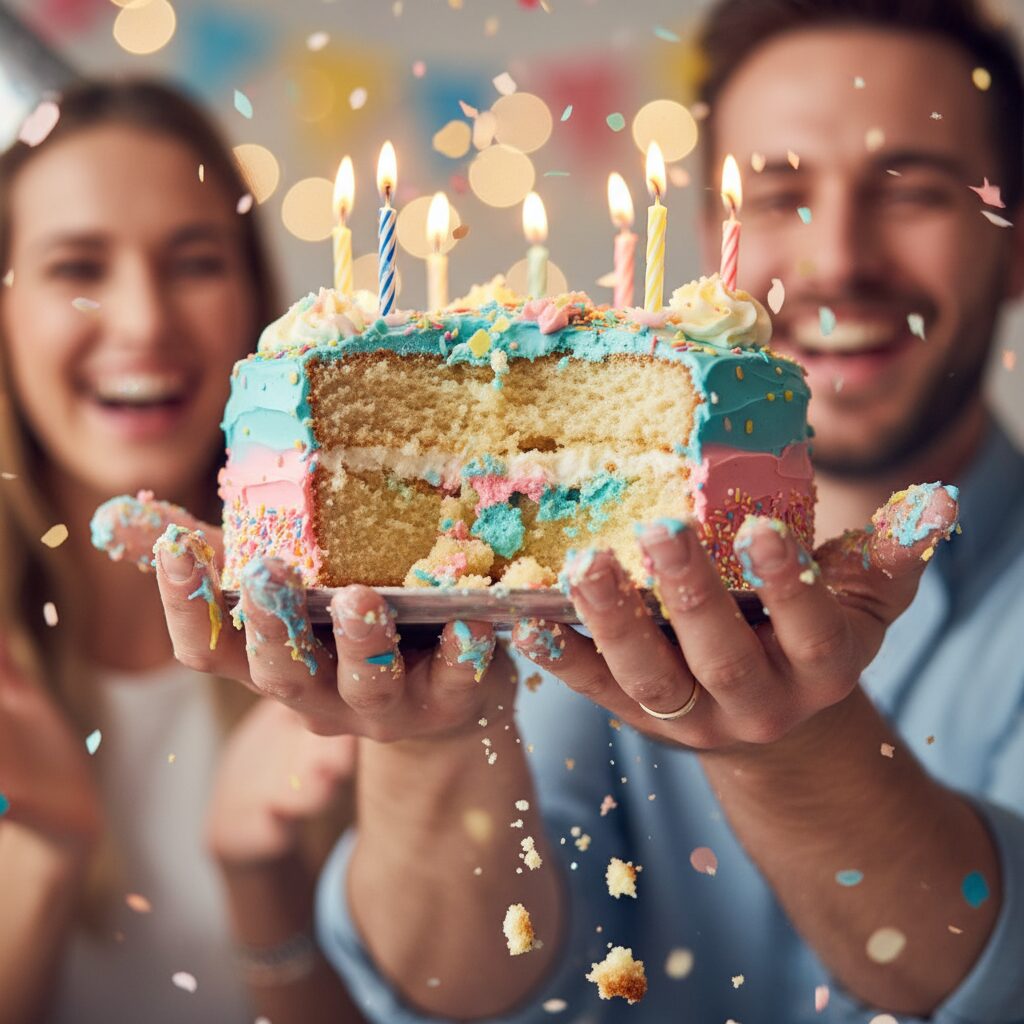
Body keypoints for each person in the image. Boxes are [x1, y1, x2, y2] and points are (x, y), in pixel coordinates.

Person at [110, 0, 1024, 1020]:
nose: (837, 257)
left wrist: (793, 750)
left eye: (914, 191)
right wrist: (432, 744)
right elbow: (479, 993)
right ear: (717, 230)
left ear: (1017, 240)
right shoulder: (554, 580)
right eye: (780, 193)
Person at [0, 80, 365, 1024]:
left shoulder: (369, 629)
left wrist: (261, 882)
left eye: (195, 263)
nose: (143, 321)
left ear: (252, 301)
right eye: (78, 266)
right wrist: (42, 854)